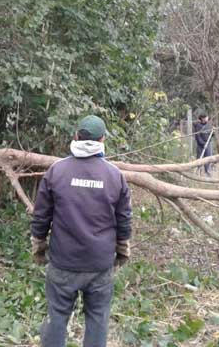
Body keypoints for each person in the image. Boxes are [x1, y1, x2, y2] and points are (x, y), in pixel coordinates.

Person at [30, 115, 132, 347]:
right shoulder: (115, 175)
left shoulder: (57, 171)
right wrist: (123, 250)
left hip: (63, 262)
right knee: (97, 319)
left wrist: (38, 246)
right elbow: (124, 220)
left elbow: (41, 215)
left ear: (76, 136)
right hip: (99, 264)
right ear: (103, 139)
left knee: (57, 316)